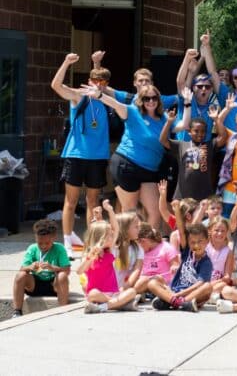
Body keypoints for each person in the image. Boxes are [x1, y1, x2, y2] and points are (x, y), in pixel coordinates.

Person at [85, 80, 172, 228]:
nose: (150, 101)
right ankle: (126, 247)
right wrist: (100, 95)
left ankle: (147, 246)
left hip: (150, 170)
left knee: (155, 211)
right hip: (127, 164)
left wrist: (188, 104)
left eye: (154, 98)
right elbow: (116, 104)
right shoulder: (132, 111)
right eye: (146, 98)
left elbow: (182, 125)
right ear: (141, 100)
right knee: (130, 212)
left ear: (159, 99)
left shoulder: (165, 118)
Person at [51, 53, 114, 252]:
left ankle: (91, 240)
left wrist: (96, 64)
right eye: (95, 81)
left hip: (98, 157)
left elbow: (100, 76)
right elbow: (56, 86)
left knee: (93, 201)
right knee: (70, 201)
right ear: (89, 81)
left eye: (103, 82)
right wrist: (67, 62)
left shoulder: (107, 99)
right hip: (76, 154)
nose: (99, 84)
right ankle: (67, 242)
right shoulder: (79, 96)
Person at [12, 219, 70, 317]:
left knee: (62, 276)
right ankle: (17, 312)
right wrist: (30, 267)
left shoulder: (60, 248)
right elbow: (22, 269)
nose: (43, 246)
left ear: (54, 238)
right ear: (36, 238)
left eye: (47, 243)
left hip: (54, 285)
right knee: (20, 276)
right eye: (40, 243)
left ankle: (63, 311)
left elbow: (67, 270)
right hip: (35, 285)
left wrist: (52, 268)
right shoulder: (32, 248)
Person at [77, 221, 139, 313]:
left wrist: (110, 210)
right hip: (98, 295)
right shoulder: (89, 255)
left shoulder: (110, 251)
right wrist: (89, 258)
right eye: (110, 235)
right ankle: (119, 304)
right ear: (101, 237)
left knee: (132, 291)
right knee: (93, 293)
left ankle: (102, 307)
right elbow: (79, 271)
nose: (113, 236)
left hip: (113, 293)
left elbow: (117, 229)